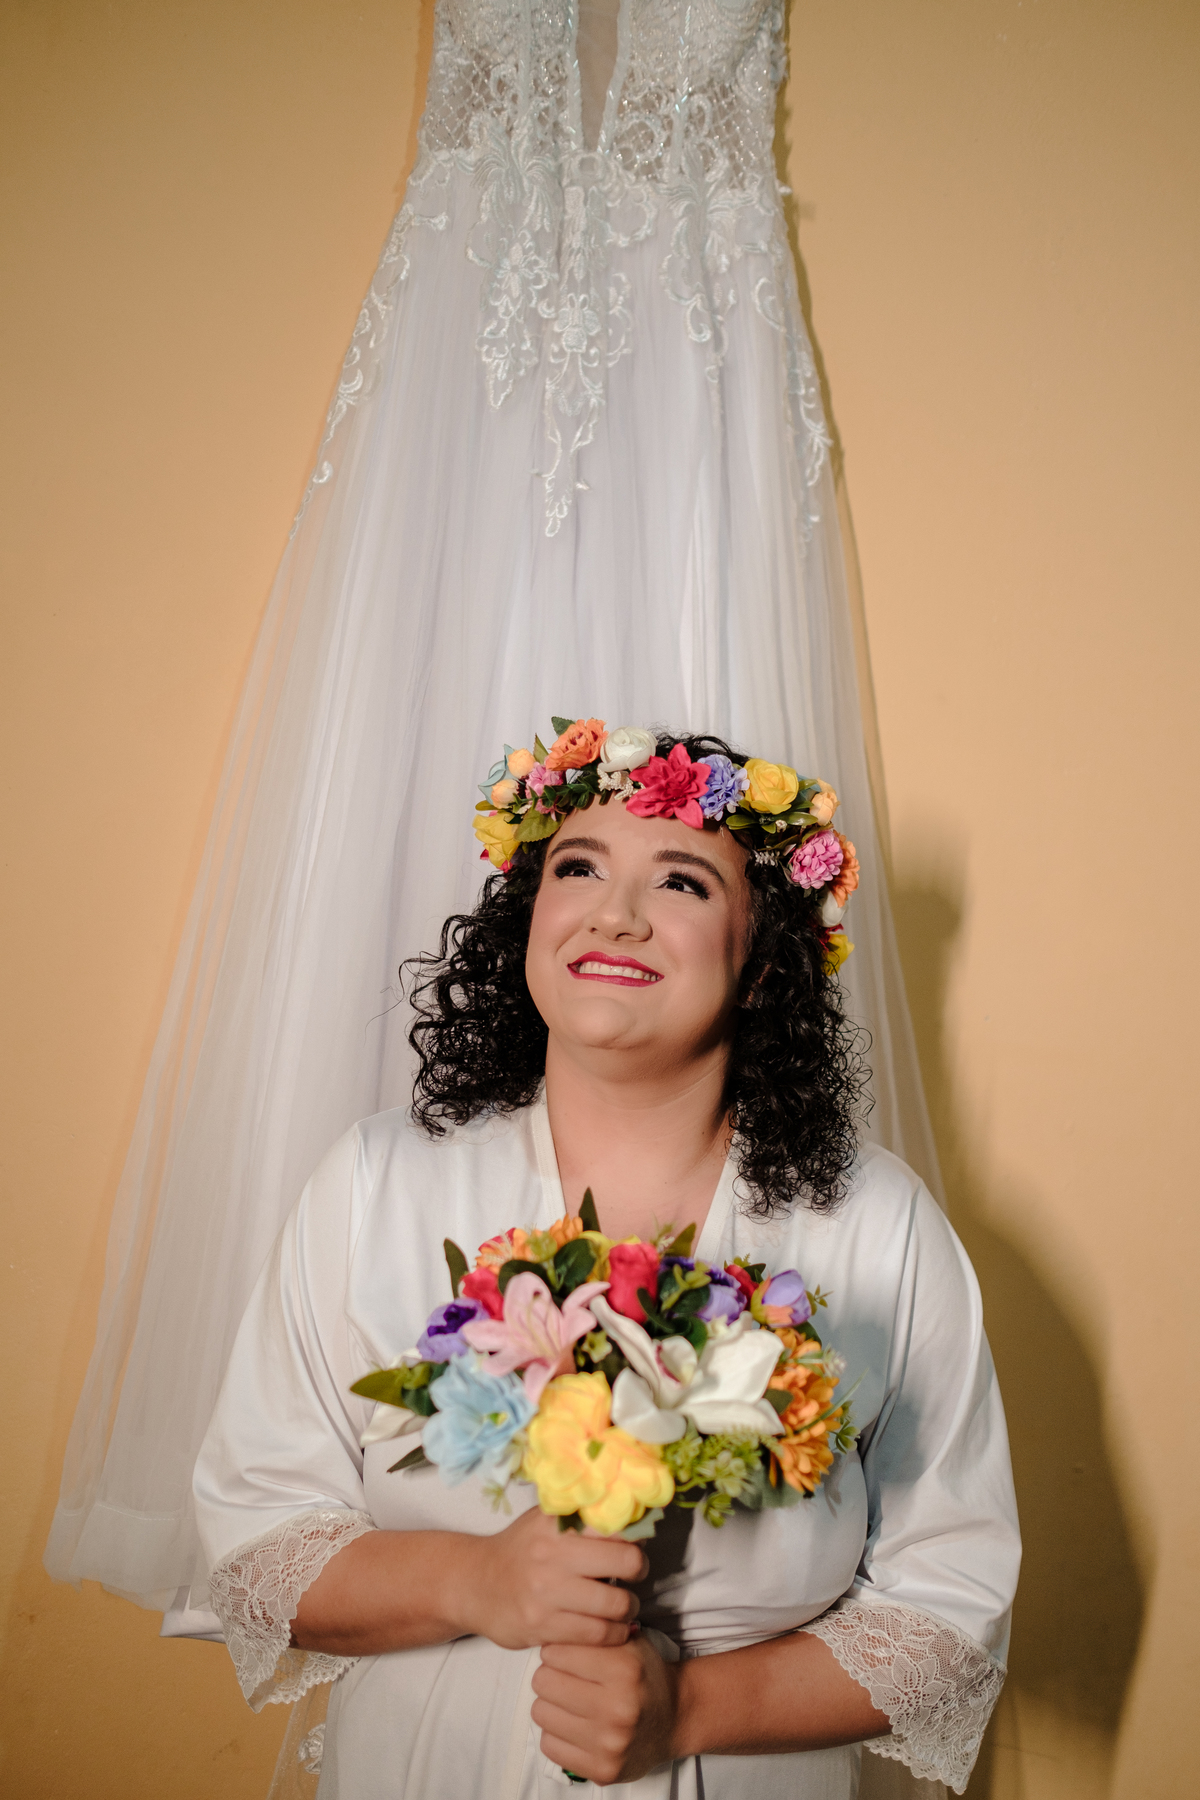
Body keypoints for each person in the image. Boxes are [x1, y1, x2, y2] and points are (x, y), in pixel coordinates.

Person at [194, 726, 1019, 1800]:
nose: (615, 913)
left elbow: (950, 1609)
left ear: (764, 963)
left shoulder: (879, 1226)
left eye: (680, 882)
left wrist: (693, 1708)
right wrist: (477, 1581)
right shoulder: (373, 1183)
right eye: (577, 868)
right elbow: (255, 1548)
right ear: (526, 921)